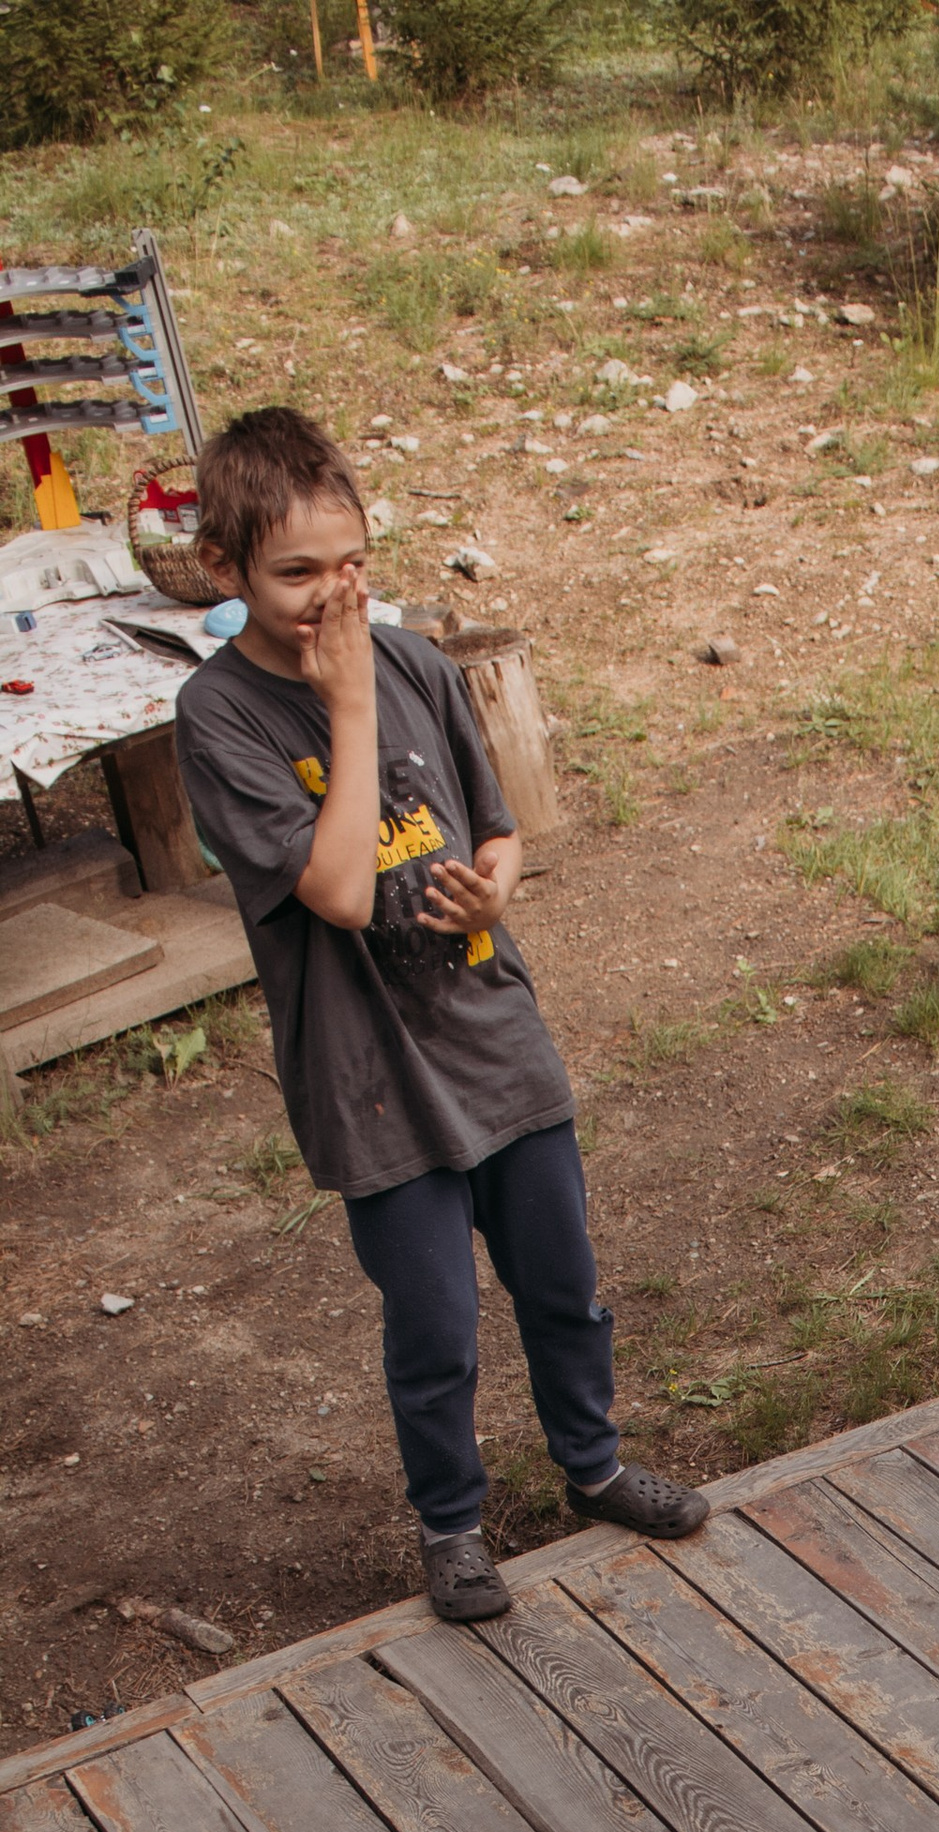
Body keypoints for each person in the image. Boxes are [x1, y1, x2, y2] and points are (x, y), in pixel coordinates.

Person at [176, 406, 708, 1629]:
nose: (330, 596)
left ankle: (595, 1468)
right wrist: (347, 701)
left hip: (492, 1039)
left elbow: (504, 831)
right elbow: (342, 892)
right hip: (373, 1078)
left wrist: (490, 888)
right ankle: (452, 1528)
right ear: (224, 572)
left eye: (349, 565)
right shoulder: (224, 718)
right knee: (435, 1325)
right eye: (296, 574)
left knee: (563, 1283)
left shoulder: (416, 660)